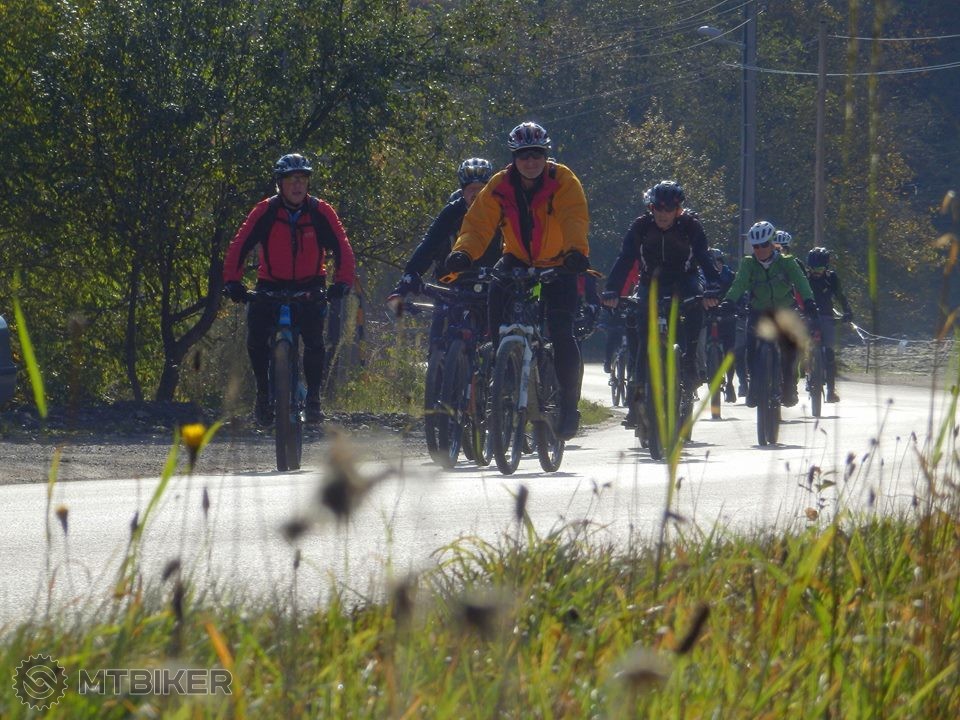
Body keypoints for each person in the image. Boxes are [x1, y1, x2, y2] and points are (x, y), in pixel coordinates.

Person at [445, 121, 590, 441]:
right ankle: (502, 374)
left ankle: (569, 405)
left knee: (562, 331)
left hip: (559, 262)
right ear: (514, 157)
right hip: (517, 258)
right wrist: (463, 252)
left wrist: (575, 252)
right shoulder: (499, 184)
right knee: (496, 298)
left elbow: (574, 217)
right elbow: (478, 224)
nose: (531, 161)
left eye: (537, 154)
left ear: (546, 155)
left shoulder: (563, 180)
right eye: (524, 155)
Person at [223, 153, 356, 425]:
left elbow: (342, 246)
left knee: (315, 342)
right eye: (291, 179)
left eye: (302, 179)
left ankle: (314, 399)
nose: (297, 185)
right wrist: (233, 282)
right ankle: (263, 394)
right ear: (280, 183)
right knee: (256, 338)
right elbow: (240, 244)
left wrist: (342, 282)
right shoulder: (265, 211)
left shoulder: (321, 212)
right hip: (270, 285)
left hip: (310, 285)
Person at [601, 180, 720, 426]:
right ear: (651, 207)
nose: (663, 214)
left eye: (669, 209)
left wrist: (713, 288)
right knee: (643, 343)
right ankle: (636, 405)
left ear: (678, 209)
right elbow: (625, 259)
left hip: (684, 281)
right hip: (650, 283)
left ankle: (689, 363)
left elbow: (704, 257)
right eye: (658, 208)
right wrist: (612, 289)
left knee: (696, 306)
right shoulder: (640, 226)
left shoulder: (690, 226)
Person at [386, 158, 500, 349]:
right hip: (453, 279)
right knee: (439, 333)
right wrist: (408, 279)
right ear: (462, 190)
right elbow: (429, 245)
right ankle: (436, 362)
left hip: (490, 279)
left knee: (498, 332)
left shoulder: (500, 209)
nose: (475, 194)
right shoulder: (452, 211)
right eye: (470, 189)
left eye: (481, 189)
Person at [718, 221, 818, 408]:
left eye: (764, 245)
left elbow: (801, 282)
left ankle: (788, 386)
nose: (760, 250)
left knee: (790, 348)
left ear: (773, 244)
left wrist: (809, 302)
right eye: (756, 246)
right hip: (759, 311)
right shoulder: (748, 264)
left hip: (785, 310)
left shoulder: (787, 262)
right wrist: (729, 301)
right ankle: (754, 386)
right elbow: (739, 284)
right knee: (750, 347)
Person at [806, 247, 853, 402]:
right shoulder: (804, 278)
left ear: (826, 267)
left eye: (819, 269)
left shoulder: (831, 278)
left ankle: (831, 391)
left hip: (826, 316)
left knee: (829, 353)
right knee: (803, 345)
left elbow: (840, 296)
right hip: (808, 316)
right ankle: (807, 372)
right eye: (812, 269)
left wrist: (847, 311)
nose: (816, 272)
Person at [701, 247, 738, 403]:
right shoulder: (702, 276)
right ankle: (707, 369)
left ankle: (729, 383)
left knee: (730, 351)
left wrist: (739, 306)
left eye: (717, 261)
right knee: (703, 345)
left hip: (727, 316)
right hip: (708, 317)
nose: (715, 265)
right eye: (711, 262)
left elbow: (739, 292)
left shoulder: (730, 275)